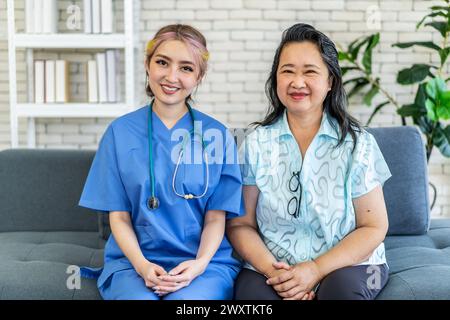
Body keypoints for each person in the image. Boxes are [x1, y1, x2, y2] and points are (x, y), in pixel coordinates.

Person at [79, 24, 244, 300]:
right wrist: (143, 267)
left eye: (186, 68)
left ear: (199, 76)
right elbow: (118, 217)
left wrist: (199, 265)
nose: (171, 76)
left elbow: (216, 217)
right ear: (147, 64)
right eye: (162, 63)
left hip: (203, 264)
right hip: (133, 263)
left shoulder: (217, 136)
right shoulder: (119, 133)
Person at [227, 23, 391, 300]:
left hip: (350, 264)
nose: (297, 82)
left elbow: (374, 226)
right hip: (271, 265)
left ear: (330, 82)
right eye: (287, 71)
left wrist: (315, 269)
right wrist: (277, 274)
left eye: (310, 72)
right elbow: (240, 224)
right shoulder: (254, 144)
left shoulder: (358, 144)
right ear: (275, 79)